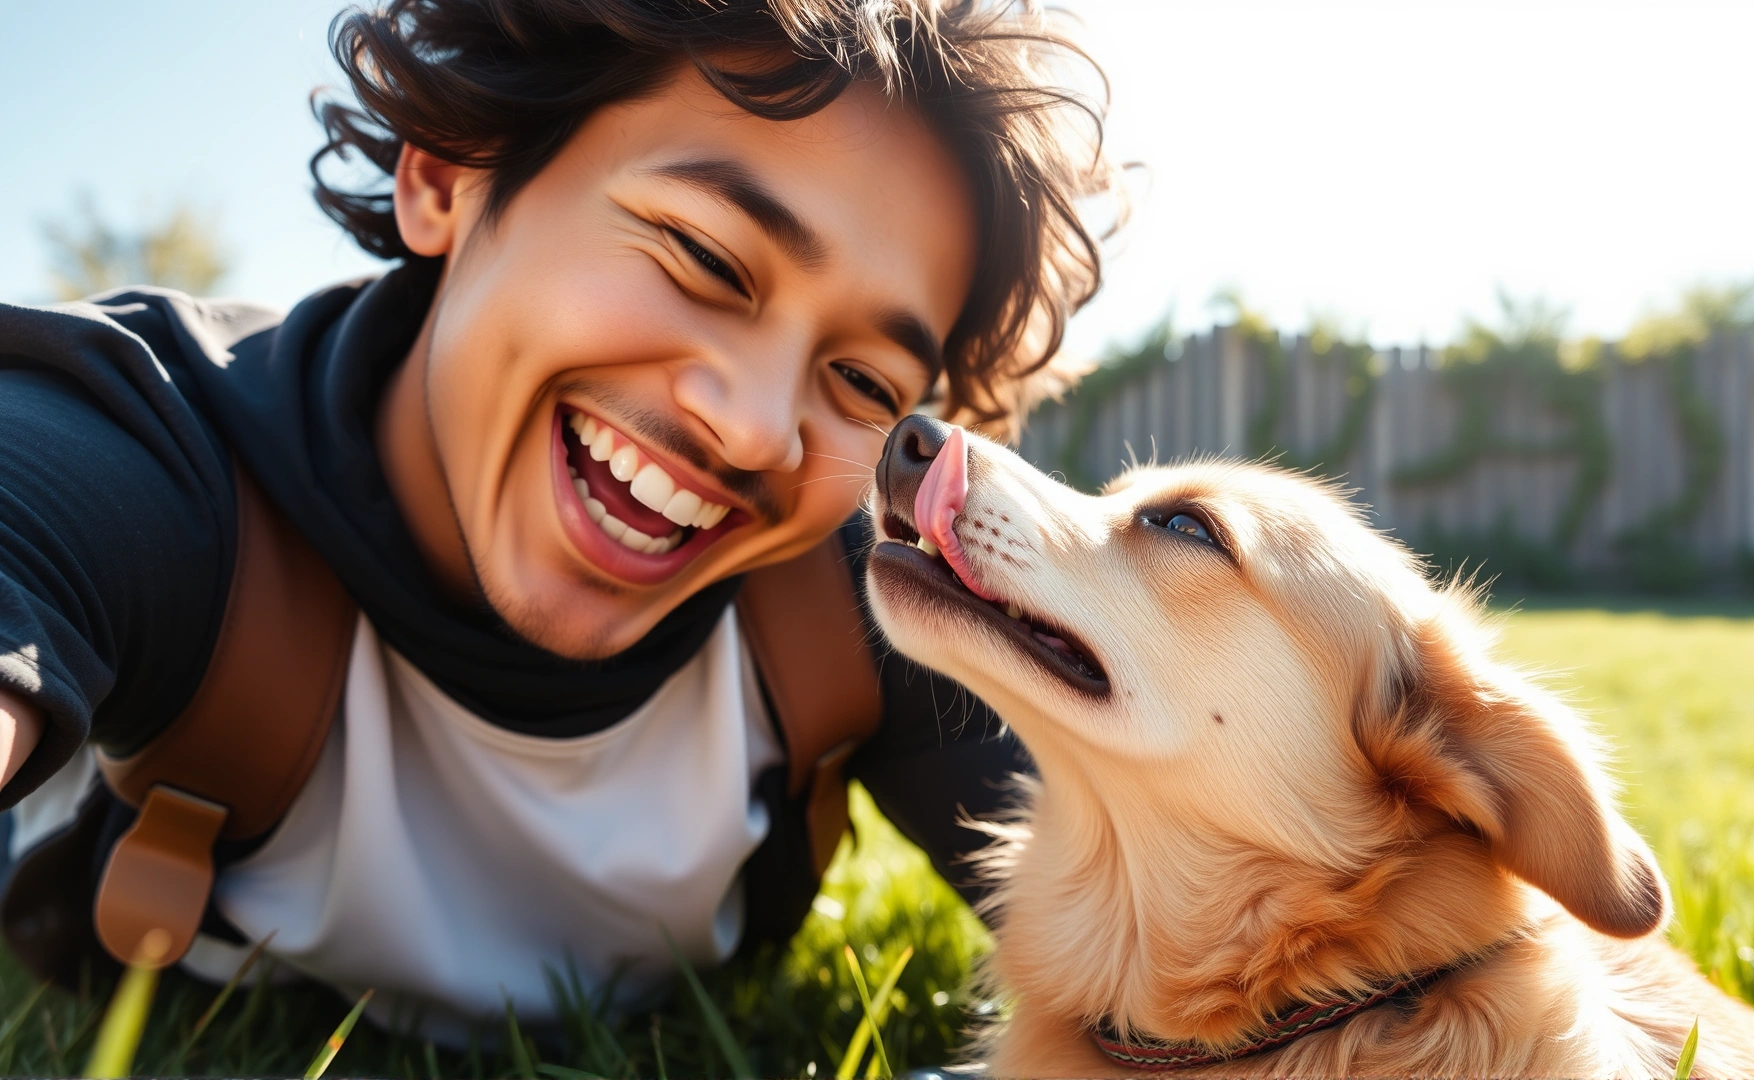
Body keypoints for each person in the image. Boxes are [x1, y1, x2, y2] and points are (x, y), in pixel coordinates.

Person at [0, 0, 1112, 1036]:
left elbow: (1171, 944)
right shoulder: (154, 451)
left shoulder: (859, 600)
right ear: (447, 175)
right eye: (707, 257)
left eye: (864, 384)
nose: (759, 432)